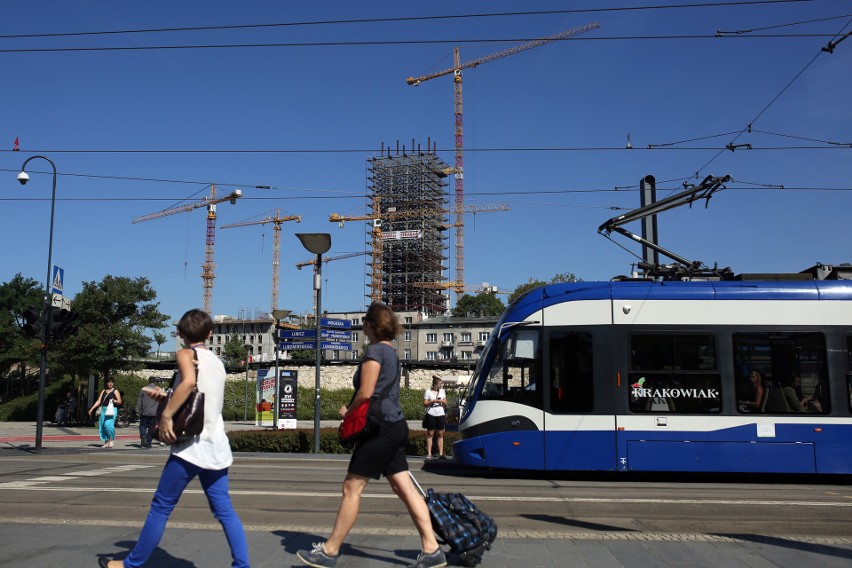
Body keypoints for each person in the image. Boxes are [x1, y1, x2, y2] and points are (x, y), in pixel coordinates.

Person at [297, 302, 446, 568]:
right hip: (395, 425)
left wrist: (348, 413)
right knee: (405, 488)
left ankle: (329, 551)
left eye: (364, 323)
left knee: (351, 487)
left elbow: (366, 393)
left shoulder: (375, 351)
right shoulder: (393, 353)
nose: (363, 327)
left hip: (380, 428)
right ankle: (432, 548)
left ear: (370, 325)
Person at [98, 309, 249, 568]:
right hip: (216, 447)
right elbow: (201, 397)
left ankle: (130, 564)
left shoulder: (184, 353)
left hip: (190, 448)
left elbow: (189, 383)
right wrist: (166, 398)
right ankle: (242, 565)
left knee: (161, 507)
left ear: (179, 333)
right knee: (224, 511)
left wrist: (167, 415)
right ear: (210, 334)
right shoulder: (217, 362)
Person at [88, 377, 122, 448]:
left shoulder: (115, 391)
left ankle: (111, 439)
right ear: (106, 383)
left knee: (108, 425)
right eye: (109, 382)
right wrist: (92, 409)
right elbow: (99, 401)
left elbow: (119, 401)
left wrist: (114, 401)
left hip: (112, 409)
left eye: (112, 382)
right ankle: (106, 442)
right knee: (102, 426)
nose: (110, 383)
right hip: (104, 409)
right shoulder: (103, 391)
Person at [423, 376, 447, 459]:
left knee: (440, 434)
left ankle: (440, 453)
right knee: (430, 434)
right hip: (431, 414)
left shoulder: (442, 392)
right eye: (439, 384)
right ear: (435, 384)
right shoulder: (428, 392)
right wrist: (432, 401)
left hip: (440, 414)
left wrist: (442, 401)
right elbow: (425, 404)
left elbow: (445, 403)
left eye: (441, 384)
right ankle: (429, 453)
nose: (441, 385)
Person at [136, 378, 160, 448]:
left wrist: (137, 410)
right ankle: (148, 443)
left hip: (145, 411)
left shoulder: (143, 389)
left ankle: (143, 435)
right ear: (155, 382)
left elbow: (139, 401)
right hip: (155, 412)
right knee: (152, 428)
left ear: (148, 381)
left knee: (143, 426)